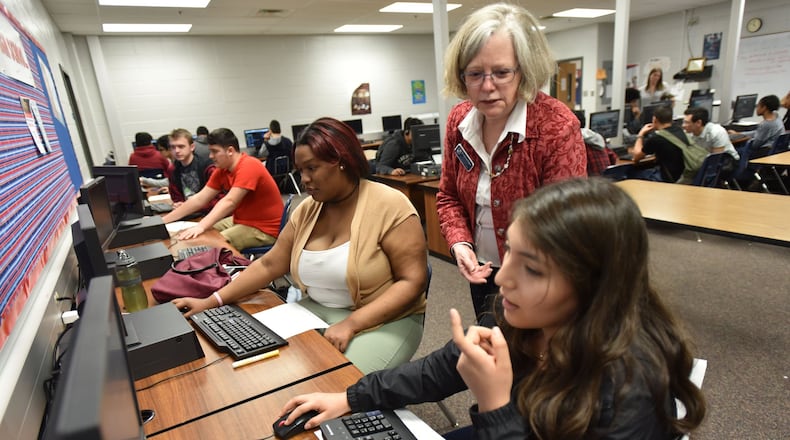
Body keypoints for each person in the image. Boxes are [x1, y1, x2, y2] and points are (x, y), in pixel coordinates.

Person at [275, 178, 707, 439]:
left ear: (593, 283)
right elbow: (440, 369)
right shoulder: (524, 317)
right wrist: (350, 397)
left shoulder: (632, 390)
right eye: (510, 254)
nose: (501, 279)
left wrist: (496, 404)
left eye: (532, 268)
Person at [172, 118, 428, 374]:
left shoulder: (390, 206)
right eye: (300, 170)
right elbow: (270, 264)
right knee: (260, 369)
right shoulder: (308, 209)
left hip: (384, 321)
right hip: (314, 310)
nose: (303, 179)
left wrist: (352, 323)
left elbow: (412, 282)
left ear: (341, 161)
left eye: (311, 168)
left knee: (333, 385)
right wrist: (211, 301)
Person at [436, 3, 586, 324]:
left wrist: (519, 270)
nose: (487, 86)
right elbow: (448, 196)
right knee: (495, 354)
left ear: (525, 71)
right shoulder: (459, 122)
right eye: (475, 74)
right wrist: (460, 243)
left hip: (540, 276)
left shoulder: (556, 127)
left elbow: (567, 224)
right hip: (483, 271)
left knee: (535, 363)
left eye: (502, 72)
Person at [162, 128, 283, 250]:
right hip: (243, 220)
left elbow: (230, 202)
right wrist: (163, 221)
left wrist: (201, 226)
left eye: (214, 152)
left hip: (266, 229)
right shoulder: (222, 170)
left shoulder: (249, 165)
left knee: (212, 241)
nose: (211, 156)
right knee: (200, 233)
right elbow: (199, 199)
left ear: (230, 151)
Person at [166, 128, 224, 213]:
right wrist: (178, 204)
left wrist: (194, 206)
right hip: (188, 213)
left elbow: (219, 198)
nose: (177, 151)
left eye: (181, 146)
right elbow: (176, 197)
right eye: (173, 147)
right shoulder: (172, 170)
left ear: (192, 147)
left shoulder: (208, 167)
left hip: (209, 212)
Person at [633, 105, 695, 183]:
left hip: (668, 179)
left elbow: (636, 157)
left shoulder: (657, 138)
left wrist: (641, 134)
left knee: (632, 174)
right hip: (684, 176)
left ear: (654, 119)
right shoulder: (679, 130)